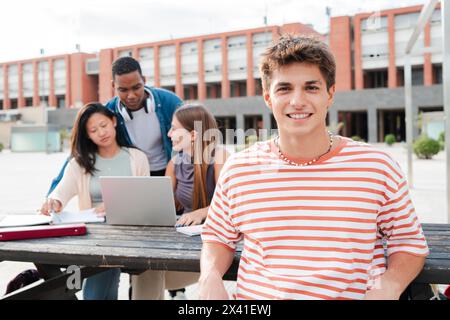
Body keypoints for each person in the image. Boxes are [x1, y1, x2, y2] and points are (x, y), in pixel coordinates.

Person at [198, 35, 429, 300]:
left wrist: (387, 287)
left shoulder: (377, 167)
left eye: (311, 88)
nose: (297, 100)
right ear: (267, 97)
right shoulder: (240, 168)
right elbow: (217, 237)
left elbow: (409, 243)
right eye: (284, 88)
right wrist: (210, 277)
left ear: (330, 95)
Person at [40, 56, 184, 299]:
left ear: (145, 82)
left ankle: (175, 289)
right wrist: (52, 198)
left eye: (136, 87)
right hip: (118, 203)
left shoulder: (168, 102)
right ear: (114, 88)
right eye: (123, 89)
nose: (130, 95)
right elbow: (70, 170)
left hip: (166, 167)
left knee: (163, 235)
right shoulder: (107, 112)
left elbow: (192, 132)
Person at [40, 103, 150, 300]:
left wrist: (116, 204)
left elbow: (146, 199)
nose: (101, 132)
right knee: (101, 281)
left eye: (103, 125)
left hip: (130, 233)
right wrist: (54, 202)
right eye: (93, 130)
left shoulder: (137, 158)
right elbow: (60, 192)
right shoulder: (80, 162)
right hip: (94, 235)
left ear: (114, 122)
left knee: (99, 286)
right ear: (87, 135)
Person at [131, 104, 229, 300]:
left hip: (216, 252)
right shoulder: (174, 164)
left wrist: (202, 212)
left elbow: (232, 204)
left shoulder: (220, 157)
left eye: (174, 128)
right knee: (144, 270)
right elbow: (167, 206)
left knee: (148, 274)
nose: (169, 134)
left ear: (193, 135)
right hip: (183, 245)